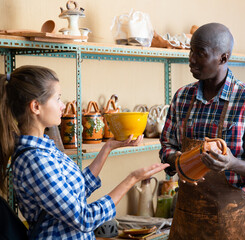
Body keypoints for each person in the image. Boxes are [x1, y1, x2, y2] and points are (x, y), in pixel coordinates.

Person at [0, 65, 169, 239]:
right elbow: (84, 218)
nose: (63, 106)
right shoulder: (35, 160)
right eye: (57, 99)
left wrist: (108, 147)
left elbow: (77, 190)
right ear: (36, 106)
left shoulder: (45, 148)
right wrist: (131, 179)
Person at [159, 23, 245, 240]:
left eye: (200, 54)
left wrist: (232, 164)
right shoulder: (182, 97)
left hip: (229, 221)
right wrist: (181, 160)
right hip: (186, 218)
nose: (191, 59)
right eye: (191, 51)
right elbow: (166, 147)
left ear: (223, 58)